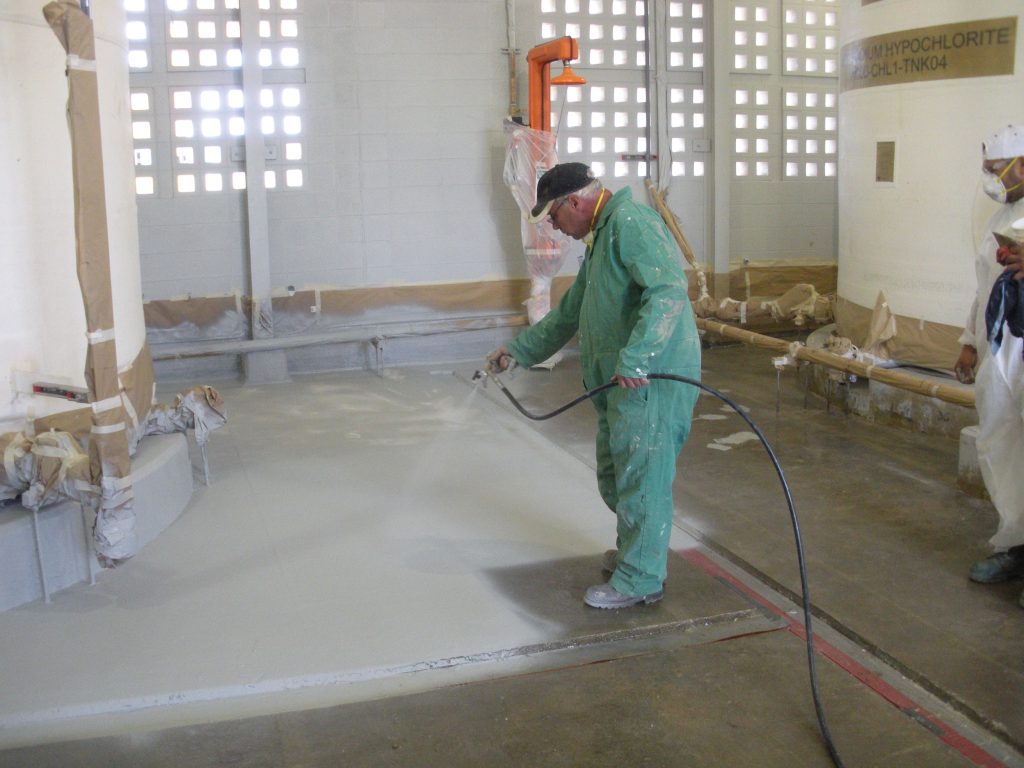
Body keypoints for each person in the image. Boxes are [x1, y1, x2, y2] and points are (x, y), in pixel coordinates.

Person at [487, 162, 701, 609]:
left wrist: (639, 357)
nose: (551, 224)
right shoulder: (602, 237)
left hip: (651, 379)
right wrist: (520, 351)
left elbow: (668, 290)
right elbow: (570, 314)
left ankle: (641, 578)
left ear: (575, 202)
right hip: (618, 384)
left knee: (642, 478)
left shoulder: (632, 223)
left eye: (553, 214)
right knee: (616, 476)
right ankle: (633, 553)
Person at [954, 125, 1024, 606]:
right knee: (1003, 446)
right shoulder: (1001, 215)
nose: (991, 179)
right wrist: (968, 340)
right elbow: (985, 284)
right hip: (998, 352)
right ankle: (1015, 542)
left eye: (996, 169)